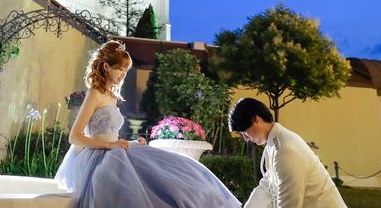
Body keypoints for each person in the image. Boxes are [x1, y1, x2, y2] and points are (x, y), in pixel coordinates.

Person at [55, 40, 241, 207]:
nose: (123, 74)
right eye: (119, 69)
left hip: (114, 151)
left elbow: (110, 134)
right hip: (99, 157)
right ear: (106, 66)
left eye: (125, 70)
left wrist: (131, 143)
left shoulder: (112, 97)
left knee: (179, 167)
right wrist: (111, 145)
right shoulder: (94, 93)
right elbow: (75, 137)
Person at [228, 98, 347, 208]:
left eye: (244, 131)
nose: (245, 138)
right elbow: (267, 185)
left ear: (256, 119)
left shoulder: (285, 149)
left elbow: (289, 204)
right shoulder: (275, 142)